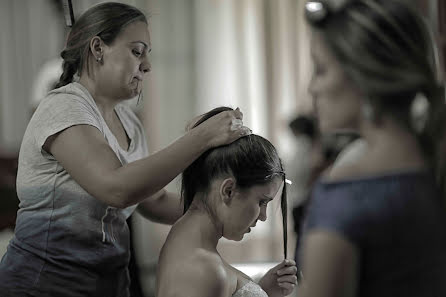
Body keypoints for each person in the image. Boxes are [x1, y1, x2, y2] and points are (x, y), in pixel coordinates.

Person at [0, 3, 250, 297]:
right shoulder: (62, 106)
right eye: (136, 51)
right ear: (97, 49)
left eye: (147, 54)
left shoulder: (130, 124)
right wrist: (202, 138)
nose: (147, 65)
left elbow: (153, 200)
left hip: (109, 286)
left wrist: (226, 205)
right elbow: (116, 187)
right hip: (43, 286)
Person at [298, 0, 446, 296]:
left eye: (321, 70)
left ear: (363, 75)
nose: (312, 88)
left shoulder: (346, 197)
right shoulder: (433, 169)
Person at [156, 107, 298, 297]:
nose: (263, 217)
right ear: (228, 191)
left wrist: (263, 291)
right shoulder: (203, 270)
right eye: (262, 202)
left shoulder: (186, 242)